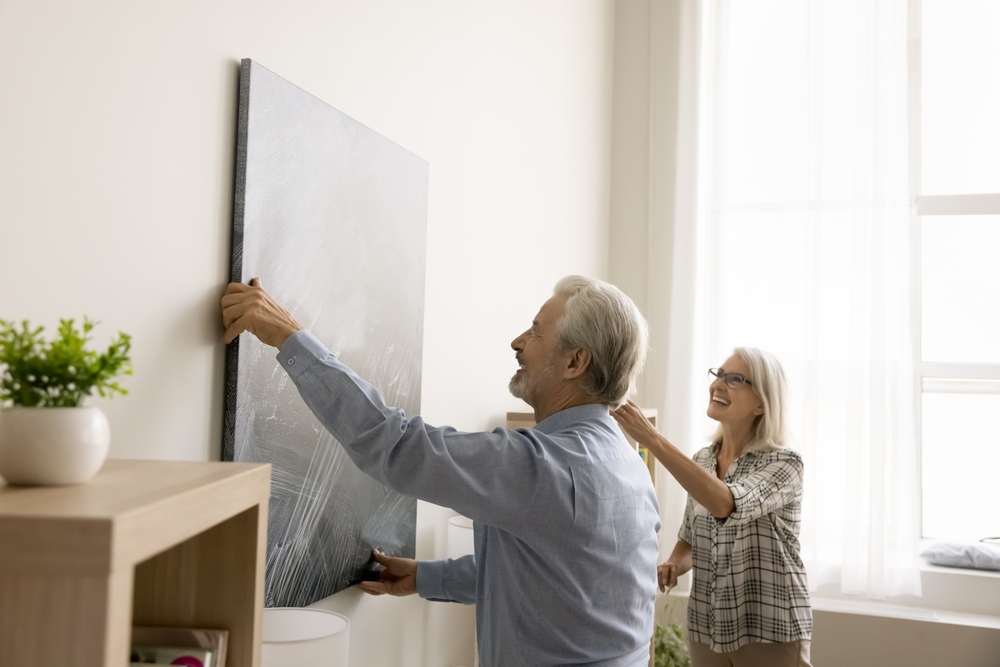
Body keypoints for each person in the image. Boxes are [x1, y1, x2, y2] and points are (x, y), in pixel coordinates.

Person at [222, 275, 661, 667]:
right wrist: (425, 576)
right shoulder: (628, 464)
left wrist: (289, 337)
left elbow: (396, 444)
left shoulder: (547, 466)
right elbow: (556, 579)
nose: (518, 341)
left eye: (536, 331)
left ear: (574, 362)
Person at [612, 348, 812, 667]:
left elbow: (726, 504)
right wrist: (674, 564)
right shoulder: (702, 460)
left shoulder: (785, 463)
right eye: (718, 374)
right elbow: (691, 538)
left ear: (762, 403)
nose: (718, 384)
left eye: (734, 379)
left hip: (768, 626)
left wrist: (651, 437)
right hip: (707, 625)